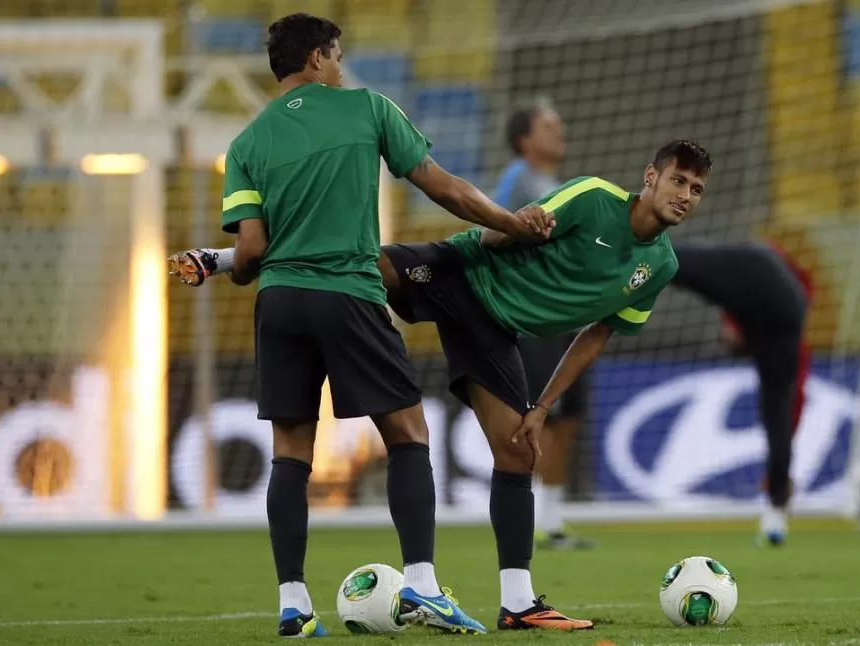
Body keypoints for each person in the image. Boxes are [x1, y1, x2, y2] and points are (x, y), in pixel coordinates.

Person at [170, 139, 713, 631]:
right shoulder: (594, 198)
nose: (685, 195)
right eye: (678, 181)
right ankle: (224, 257)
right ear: (650, 176)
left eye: (696, 189)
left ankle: (518, 604)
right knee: (362, 262)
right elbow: (501, 233)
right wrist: (517, 224)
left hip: (496, 329)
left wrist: (543, 406)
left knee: (519, 453)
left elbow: (597, 336)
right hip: (464, 271)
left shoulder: (659, 266)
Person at [197, 13, 553, 638]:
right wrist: (510, 221)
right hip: (348, 292)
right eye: (335, 56)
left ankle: (294, 603)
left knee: (290, 451)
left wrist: (233, 269)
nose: (341, 67)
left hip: (278, 302)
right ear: (314, 59)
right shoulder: (365, 108)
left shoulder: (247, 145)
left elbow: (249, 251)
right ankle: (420, 586)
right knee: (409, 433)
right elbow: (441, 187)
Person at [492, 98, 593, 550]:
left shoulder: (553, 183)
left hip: (565, 319)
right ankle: (528, 518)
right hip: (533, 318)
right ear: (525, 140)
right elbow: (493, 231)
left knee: (568, 417)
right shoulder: (517, 179)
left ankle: (551, 523)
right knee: (539, 419)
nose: (561, 131)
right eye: (550, 125)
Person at [671, 239, 810, 545]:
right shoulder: (780, 319)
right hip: (764, 273)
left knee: (669, 262)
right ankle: (775, 514)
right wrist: (780, 469)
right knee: (777, 413)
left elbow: (791, 405)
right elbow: (788, 410)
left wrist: (780, 467)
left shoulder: (779, 327)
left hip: (760, 271)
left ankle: (776, 508)